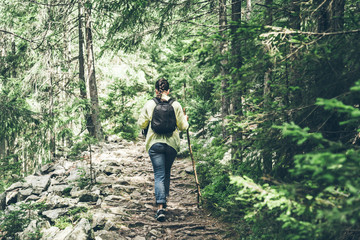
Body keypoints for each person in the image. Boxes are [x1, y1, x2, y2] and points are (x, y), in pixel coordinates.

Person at [138, 78, 189, 222]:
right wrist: (185, 119)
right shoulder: (176, 105)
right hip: (172, 145)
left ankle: (160, 207)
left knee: (159, 174)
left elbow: (141, 123)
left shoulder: (150, 104)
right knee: (166, 172)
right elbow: (183, 127)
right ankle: (164, 202)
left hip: (155, 144)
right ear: (168, 90)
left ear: (156, 91)